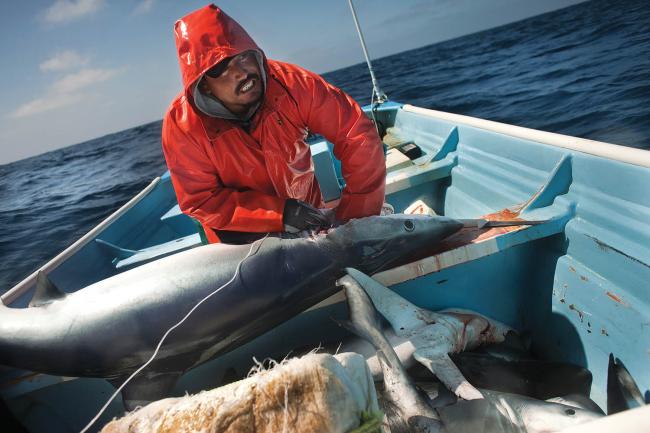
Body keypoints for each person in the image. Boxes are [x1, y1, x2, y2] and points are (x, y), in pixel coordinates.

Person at [162, 4, 386, 243]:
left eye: (244, 57)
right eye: (221, 69)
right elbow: (201, 200)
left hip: (312, 217)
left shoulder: (295, 84)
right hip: (240, 241)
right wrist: (279, 214)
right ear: (203, 84)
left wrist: (355, 221)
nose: (241, 72)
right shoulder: (181, 126)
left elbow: (356, 134)